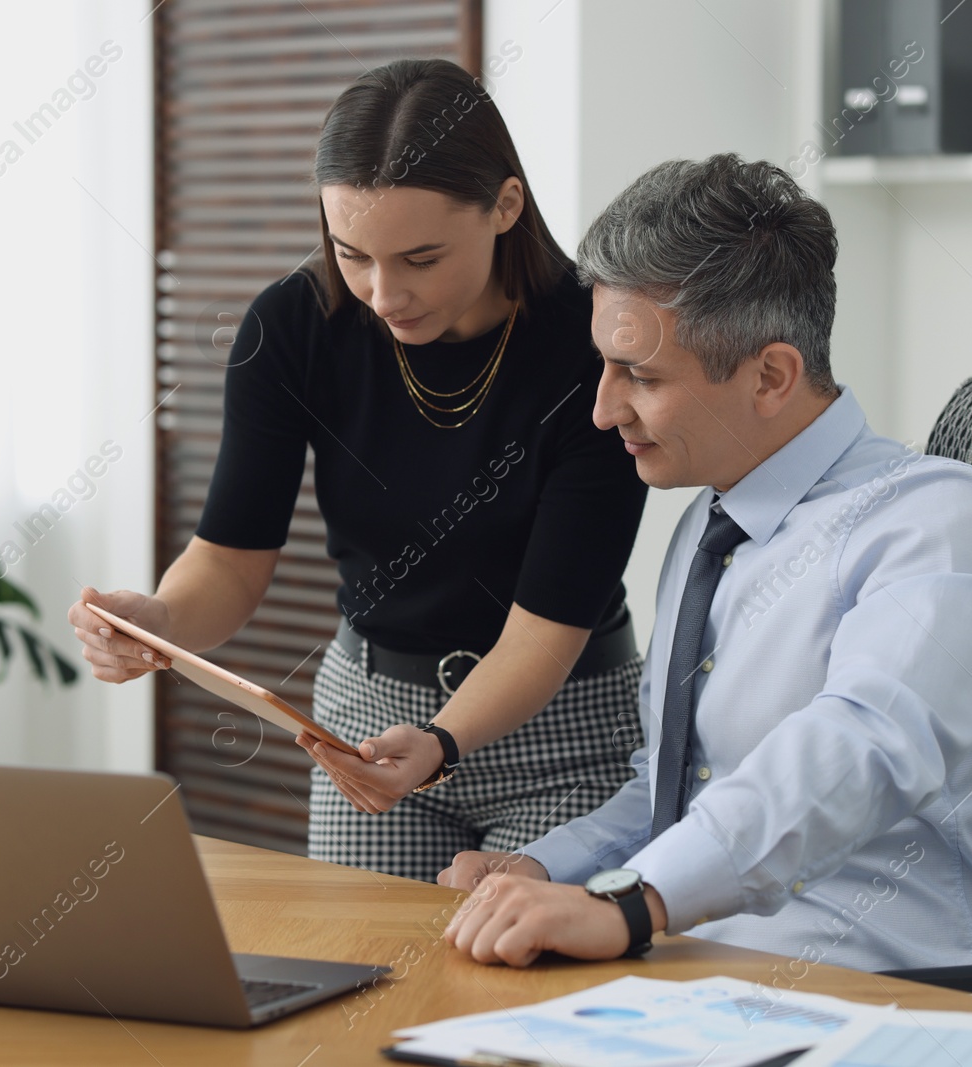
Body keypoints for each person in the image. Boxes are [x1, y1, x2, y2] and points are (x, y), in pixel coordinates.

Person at [438, 154, 972, 973]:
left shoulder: (939, 520)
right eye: (604, 368)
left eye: (640, 376)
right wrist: (546, 869)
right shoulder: (706, 525)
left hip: (890, 992)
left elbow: (860, 746)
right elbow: (676, 791)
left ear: (771, 376)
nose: (603, 409)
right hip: (703, 974)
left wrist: (630, 901)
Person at [67, 58, 649, 883]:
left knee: (522, 987)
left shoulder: (590, 344)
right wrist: (160, 619)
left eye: (420, 258)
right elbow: (230, 561)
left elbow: (544, 633)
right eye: (353, 253)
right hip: (370, 724)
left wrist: (444, 740)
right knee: (359, 982)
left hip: (564, 728)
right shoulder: (294, 327)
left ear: (505, 207)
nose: (384, 294)